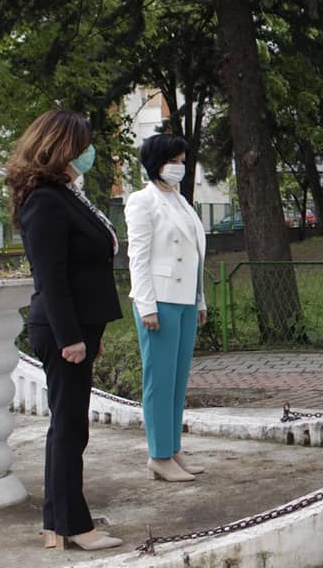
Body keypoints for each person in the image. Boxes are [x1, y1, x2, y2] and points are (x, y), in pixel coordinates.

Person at [4, 110, 123, 552]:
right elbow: (50, 278)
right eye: (83, 144)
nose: (90, 151)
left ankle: (59, 521)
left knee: (70, 427)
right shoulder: (46, 201)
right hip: (61, 331)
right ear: (62, 147)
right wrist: (72, 336)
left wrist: (89, 330)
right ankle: (73, 526)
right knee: (70, 429)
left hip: (77, 327)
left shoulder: (64, 194)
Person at [125, 134, 207, 482]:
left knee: (177, 382)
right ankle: (158, 455)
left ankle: (173, 449)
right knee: (159, 381)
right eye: (174, 160)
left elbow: (196, 257)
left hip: (186, 299)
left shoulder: (181, 201)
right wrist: (146, 306)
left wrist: (200, 300)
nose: (180, 167)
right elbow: (137, 258)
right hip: (157, 299)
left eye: (182, 160)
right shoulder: (142, 201)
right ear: (156, 162)